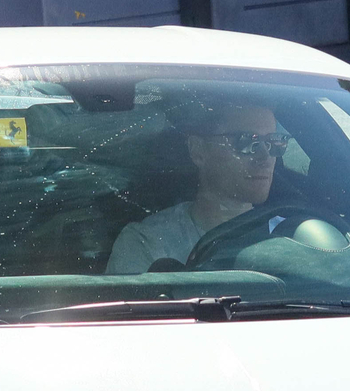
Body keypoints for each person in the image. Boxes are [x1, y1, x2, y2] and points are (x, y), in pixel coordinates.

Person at [107, 99, 286, 274]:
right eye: (246, 141)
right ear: (198, 150)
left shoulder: (291, 235)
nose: (266, 157)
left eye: (275, 142)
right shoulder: (147, 244)